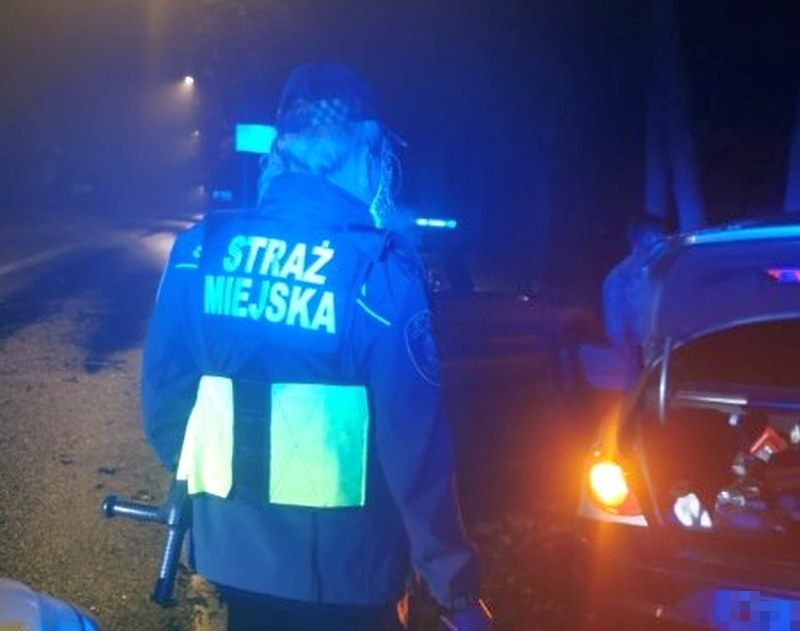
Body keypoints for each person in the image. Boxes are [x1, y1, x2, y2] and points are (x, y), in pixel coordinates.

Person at [141, 60, 492, 631]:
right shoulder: (377, 273)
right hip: (348, 582)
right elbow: (416, 452)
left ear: (282, 147)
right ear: (365, 148)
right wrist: (455, 591)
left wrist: (228, 506)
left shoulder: (199, 252)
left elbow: (164, 409)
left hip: (229, 568)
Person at [602, 213, 667, 381]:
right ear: (636, 243)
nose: (659, 249)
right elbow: (616, 332)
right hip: (640, 360)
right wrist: (635, 368)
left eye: (661, 242)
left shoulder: (666, 271)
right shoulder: (618, 279)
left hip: (671, 354)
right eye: (652, 243)